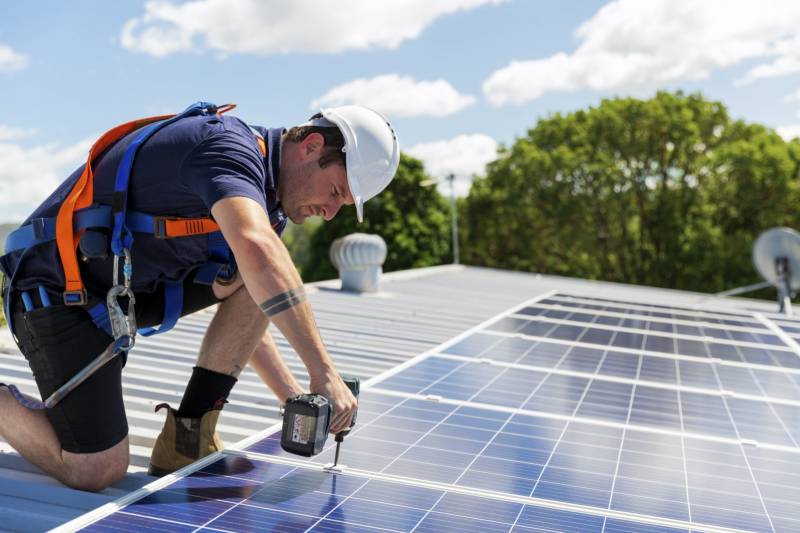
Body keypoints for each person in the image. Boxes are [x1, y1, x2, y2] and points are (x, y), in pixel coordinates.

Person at [0, 102, 399, 491]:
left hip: (115, 299)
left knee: (255, 274)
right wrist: (324, 372)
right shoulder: (225, 148)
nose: (330, 212)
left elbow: (258, 299)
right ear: (311, 145)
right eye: (335, 191)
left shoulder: (267, 206)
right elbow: (261, 256)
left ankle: (185, 439)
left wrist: (292, 396)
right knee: (96, 469)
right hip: (55, 292)